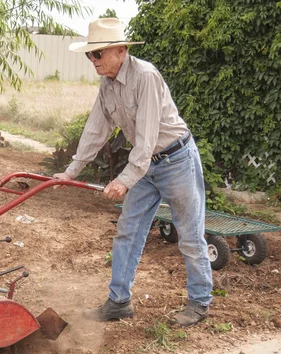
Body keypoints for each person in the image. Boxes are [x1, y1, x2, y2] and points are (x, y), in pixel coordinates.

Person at [53, 18, 213, 327]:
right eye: (90, 55)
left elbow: (148, 136)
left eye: (97, 54)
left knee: (190, 236)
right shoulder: (108, 84)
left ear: (121, 50)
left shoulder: (146, 77)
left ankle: (199, 301)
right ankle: (119, 301)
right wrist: (71, 171)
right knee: (128, 231)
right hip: (146, 165)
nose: (93, 61)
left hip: (175, 160)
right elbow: (96, 130)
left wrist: (125, 179)